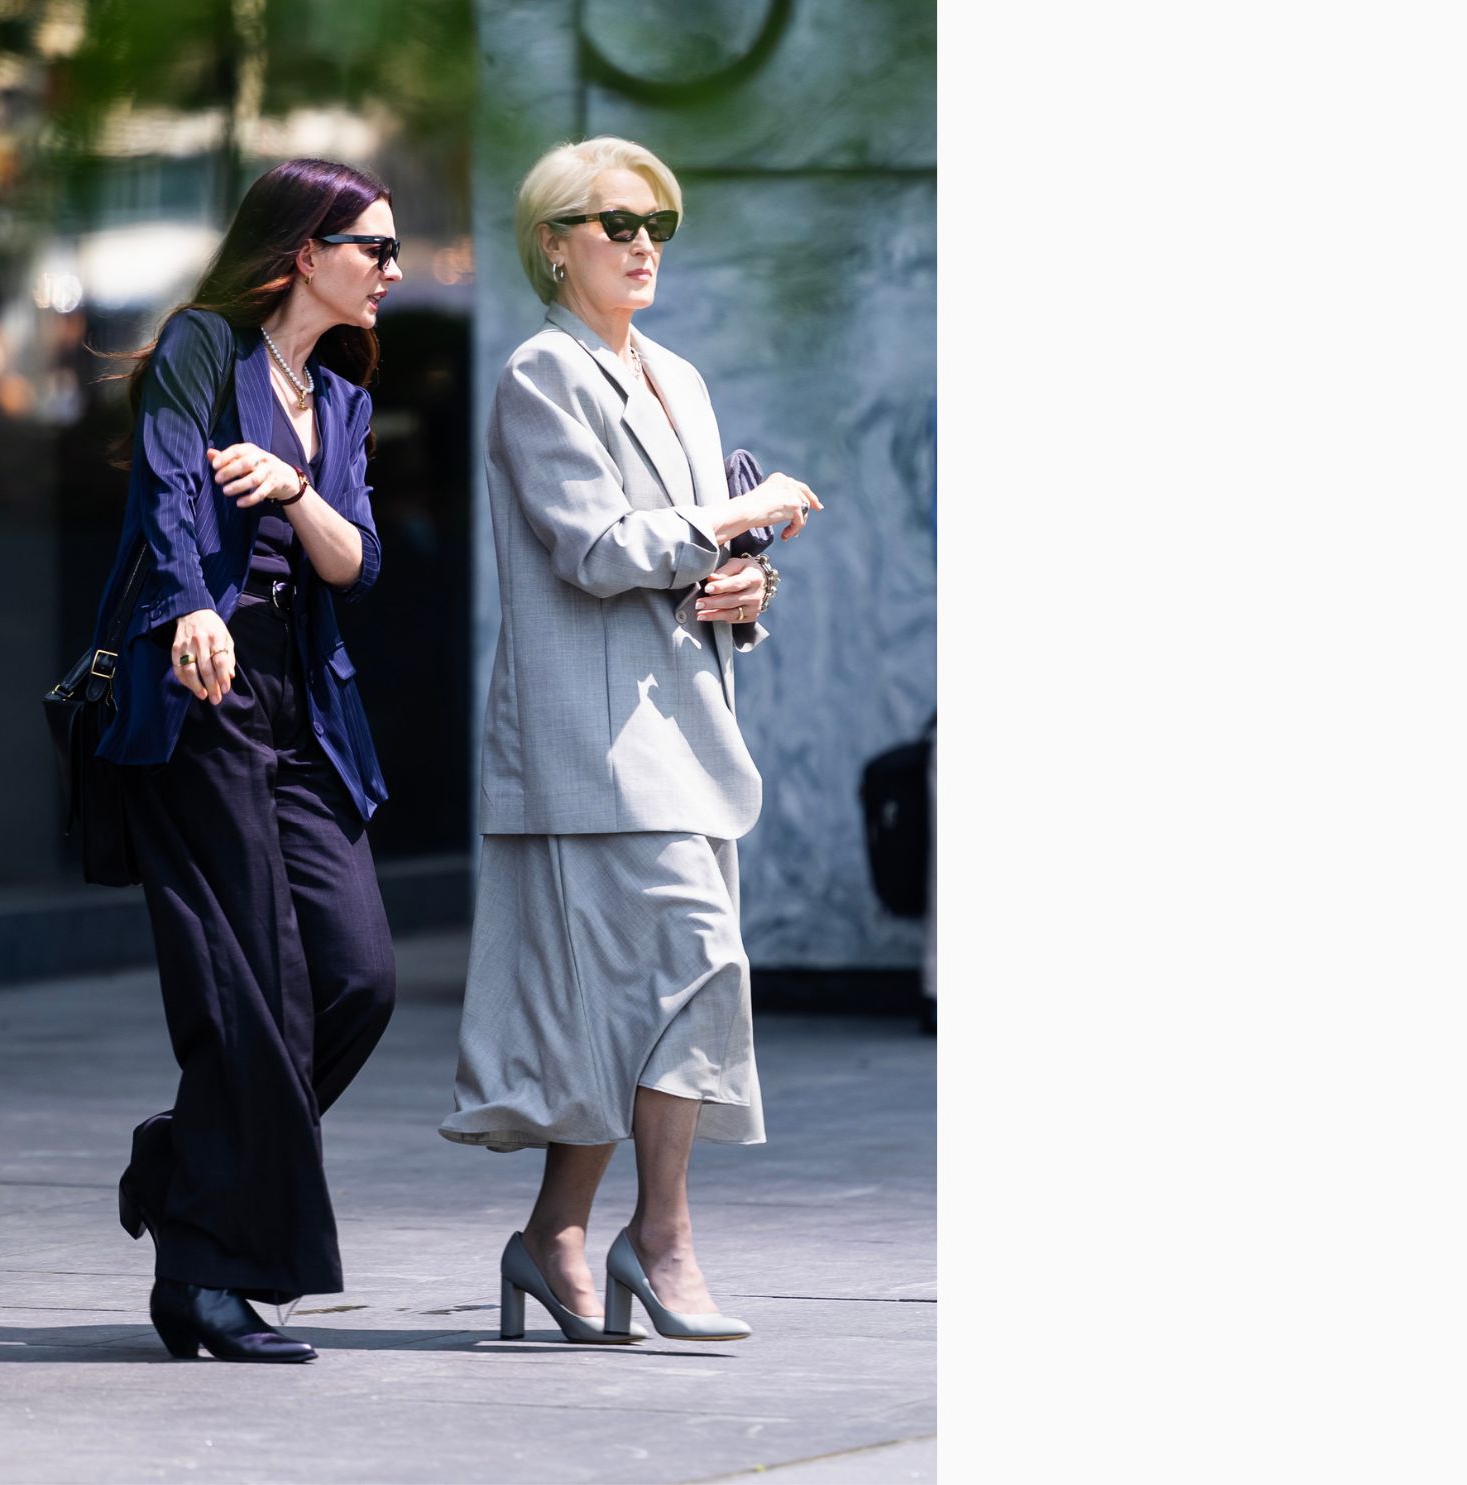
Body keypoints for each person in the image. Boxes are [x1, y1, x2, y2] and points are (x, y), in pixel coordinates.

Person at [440, 138, 824, 1345]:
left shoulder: (682, 379)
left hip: (687, 733)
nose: (644, 238)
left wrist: (739, 591)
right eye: (613, 221)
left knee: (628, 1005)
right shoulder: (539, 375)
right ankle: (657, 1241)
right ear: (553, 244)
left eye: (659, 216)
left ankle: (556, 1235)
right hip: (590, 742)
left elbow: (685, 567)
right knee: (691, 969)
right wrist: (733, 516)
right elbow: (599, 547)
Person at [86, 158, 406, 1364]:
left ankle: (184, 1159)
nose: (388, 269)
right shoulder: (201, 352)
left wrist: (296, 485)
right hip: (200, 687)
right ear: (303, 251)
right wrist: (188, 611)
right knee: (250, 987)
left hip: (302, 705)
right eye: (371, 247)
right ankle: (205, 1278)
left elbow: (356, 562)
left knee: (356, 979)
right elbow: (172, 492)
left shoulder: (341, 401)